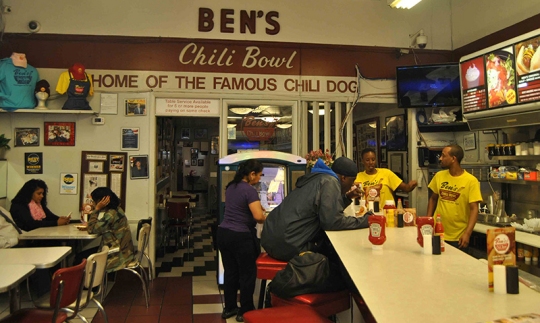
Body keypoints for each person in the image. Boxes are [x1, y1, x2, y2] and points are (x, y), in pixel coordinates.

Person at [262, 156, 367, 261]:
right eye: (352, 180)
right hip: (289, 245)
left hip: (270, 241)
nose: (352, 185)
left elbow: (326, 210)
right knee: (336, 253)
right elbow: (332, 222)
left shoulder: (317, 177)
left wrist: (347, 197)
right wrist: (366, 220)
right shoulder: (330, 181)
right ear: (343, 178)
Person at [217, 159, 266, 322]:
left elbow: (238, 208)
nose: (259, 178)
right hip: (241, 237)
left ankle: (229, 308)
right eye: (259, 175)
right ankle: (245, 310)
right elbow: (258, 217)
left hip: (224, 234)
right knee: (247, 275)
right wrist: (265, 216)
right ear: (252, 174)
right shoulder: (250, 190)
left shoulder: (231, 186)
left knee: (231, 273)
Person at [426, 144, 482, 252]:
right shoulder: (439, 176)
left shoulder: (471, 181)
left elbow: (474, 209)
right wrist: (428, 221)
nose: (440, 159)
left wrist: (467, 234)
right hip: (437, 233)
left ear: (453, 159)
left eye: (443, 156)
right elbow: (433, 199)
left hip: (458, 237)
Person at [81, 187, 135, 272]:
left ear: (101, 201)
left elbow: (91, 229)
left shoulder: (110, 215)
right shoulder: (117, 210)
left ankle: (90, 284)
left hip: (117, 255)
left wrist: (96, 209)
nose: (93, 203)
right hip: (125, 251)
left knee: (81, 258)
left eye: (94, 201)